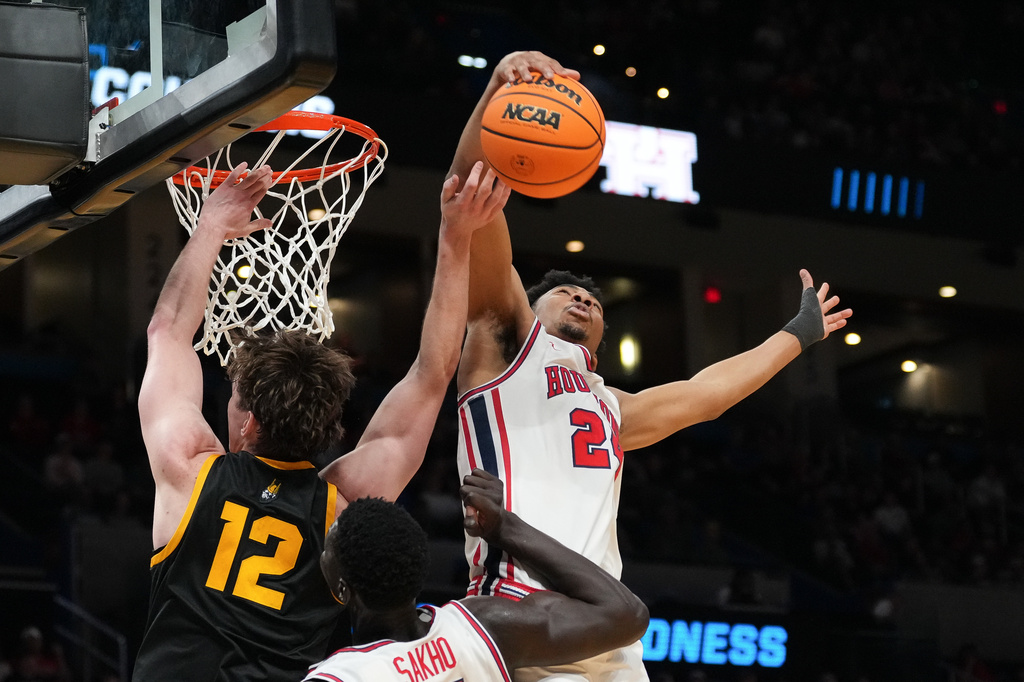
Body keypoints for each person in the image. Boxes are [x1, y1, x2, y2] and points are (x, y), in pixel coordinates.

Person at [448, 51, 853, 681]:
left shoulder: (611, 407)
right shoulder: (504, 343)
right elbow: (474, 205)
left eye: (593, 299)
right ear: (526, 306)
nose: (582, 295)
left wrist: (797, 334)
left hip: (607, 628)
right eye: (562, 291)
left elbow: (704, 393)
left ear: (603, 337)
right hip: (519, 610)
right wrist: (496, 92)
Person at [132, 160, 510, 681]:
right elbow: (432, 375)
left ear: (248, 421)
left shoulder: (189, 468)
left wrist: (212, 225)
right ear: (331, 425)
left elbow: (168, 330)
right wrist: (455, 238)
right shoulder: (343, 502)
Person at [303, 469, 649, 681]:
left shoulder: (341, 676)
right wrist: (506, 527)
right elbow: (626, 613)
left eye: (327, 551)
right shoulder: (481, 627)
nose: (322, 556)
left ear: (342, 588)